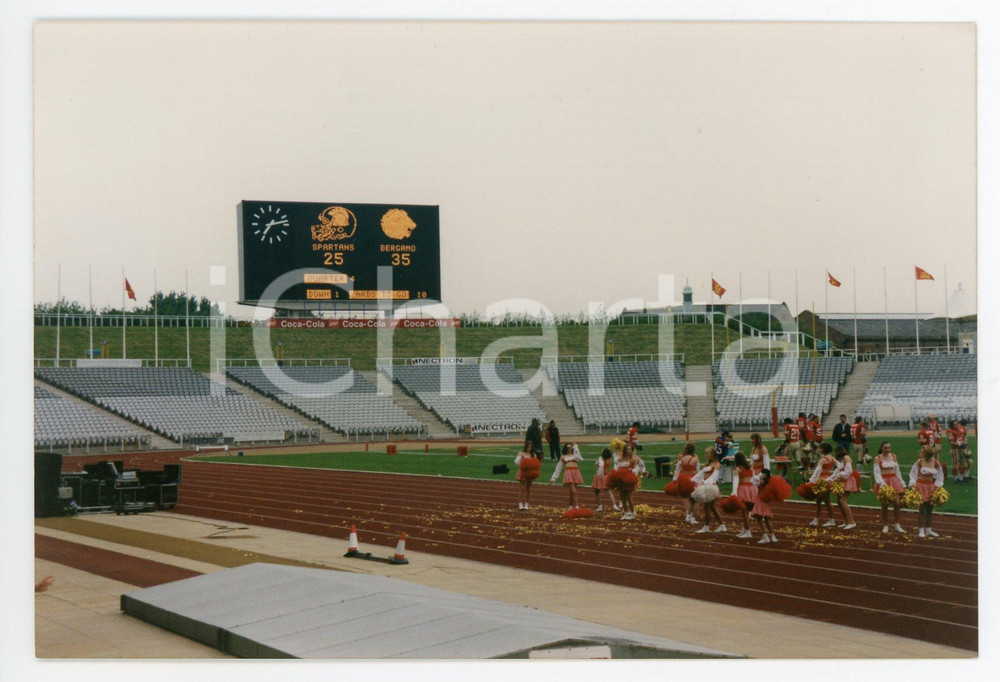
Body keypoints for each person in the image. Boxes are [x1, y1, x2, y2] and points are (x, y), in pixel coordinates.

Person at [909, 445, 946, 538]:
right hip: (920, 486)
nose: (920, 453)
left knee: (929, 509)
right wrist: (913, 483)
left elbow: (940, 475)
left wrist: (938, 485)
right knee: (921, 509)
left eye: (922, 451)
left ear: (927, 453)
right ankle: (921, 530)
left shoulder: (935, 462)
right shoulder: (920, 462)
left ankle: (929, 530)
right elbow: (913, 473)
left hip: (930, 487)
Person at [872, 440, 906, 534]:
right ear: (882, 448)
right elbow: (877, 473)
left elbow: (897, 470)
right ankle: (885, 525)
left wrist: (901, 482)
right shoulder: (878, 458)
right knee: (884, 505)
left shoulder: (893, 456)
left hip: (894, 480)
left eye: (889, 448)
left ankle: (897, 525)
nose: (888, 449)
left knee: (897, 503)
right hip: (884, 481)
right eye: (885, 448)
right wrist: (882, 484)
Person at [693, 446, 726, 534]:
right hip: (706, 487)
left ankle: (706, 527)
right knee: (711, 507)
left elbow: (714, 476)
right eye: (706, 453)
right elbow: (701, 475)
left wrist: (706, 483)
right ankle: (722, 525)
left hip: (712, 487)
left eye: (707, 453)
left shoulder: (717, 464)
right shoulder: (707, 464)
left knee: (707, 507)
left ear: (712, 454)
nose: (706, 455)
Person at [808, 442, 838, 527]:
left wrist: (811, 481)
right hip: (827, 479)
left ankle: (832, 520)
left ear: (823, 449)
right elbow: (839, 466)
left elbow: (817, 471)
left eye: (820, 448)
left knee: (826, 501)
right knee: (819, 500)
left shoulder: (823, 459)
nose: (819, 449)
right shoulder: (832, 458)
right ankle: (816, 519)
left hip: (822, 481)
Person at [827, 445, 858, 529]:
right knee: (839, 501)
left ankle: (851, 522)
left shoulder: (846, 458)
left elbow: (849, 471)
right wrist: (829, 479)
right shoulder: (841, 459)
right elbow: (837, 470)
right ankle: (846, 521)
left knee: (842, 500)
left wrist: (839, 476)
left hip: (847, 481)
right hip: (842, 481)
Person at [550, 442, 584, 509]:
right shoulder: (563, 457)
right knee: (574, 491)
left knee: (572, 491)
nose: (569, 448)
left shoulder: (575, 455)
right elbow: (558, 467)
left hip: (576, 472)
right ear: (566, 448)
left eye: (571, 447)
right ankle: (577, 507)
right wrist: (554, 477)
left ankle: (570, 506)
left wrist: (576, 447)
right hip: (569, 473)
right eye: (568, 447)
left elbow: (580, 458)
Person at [674, 442, 701, 524]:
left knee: (686, 497)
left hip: (683, 478)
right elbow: (698, 471)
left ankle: (687, 515)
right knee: (695, 499)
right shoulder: (695, 459)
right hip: (692, 479)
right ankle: (691, 516)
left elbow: (678, 469)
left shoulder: (682, 459)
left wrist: (675, 480)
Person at [730, 452, 754, 539]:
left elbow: (735, 481)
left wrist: (734, 492)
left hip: (743, 489)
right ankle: (745, 529)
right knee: (746, 511)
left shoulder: (737, 469)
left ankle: (748, 531)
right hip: (751, 489)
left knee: (744, 512)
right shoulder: (750, 467)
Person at [750, 469, 778, 544]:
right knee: (767, 519)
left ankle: (765, 536)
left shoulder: (761, 482)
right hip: (766, 503)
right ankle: (772, 536)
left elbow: (752, 481)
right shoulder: (769, 483)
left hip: (760, 502)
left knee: (760, 519)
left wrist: (759, 477)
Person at [514, 442, 540, 510]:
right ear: (526, 447)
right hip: (522, 472)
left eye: (530, 447)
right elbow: (516, 462)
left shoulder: (533, 455)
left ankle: (526, 504)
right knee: (521, 489)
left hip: (530, 473)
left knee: (528, 489)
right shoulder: (521, 453)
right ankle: (520, 504)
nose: (529, 448)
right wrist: (521, 461)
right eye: (528, 447)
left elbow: (535, 463)